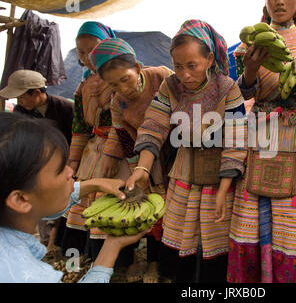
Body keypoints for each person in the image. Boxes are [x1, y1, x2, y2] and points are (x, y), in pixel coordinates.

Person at [124, 19, 247, 283]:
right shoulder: (170, 86)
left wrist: (225, 189)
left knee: (214, 243)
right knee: (182, 237)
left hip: (218, 178)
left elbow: (237, 139)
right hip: (183, 174)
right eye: (178, 66)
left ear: (210, 59)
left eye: (192, 66)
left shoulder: (228, 88)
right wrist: (142, 169)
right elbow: (153, 125)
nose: (185, 74)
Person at [228, 0, 296, 283]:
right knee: (255, 212)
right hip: (261, 133)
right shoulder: (250, 42)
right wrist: (249, 71)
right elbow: (242, 94)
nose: (280, 0)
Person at [0, 112, 148, 283]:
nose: (71, 172)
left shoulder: (10, 218)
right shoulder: (26, 275)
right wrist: (111, 247)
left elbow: (41, 203)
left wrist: (94, 184)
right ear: (20, 200)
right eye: (60, 169)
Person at [89, 37, 174, 282]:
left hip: (180, 152)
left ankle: (177, 264)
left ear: (136, 68)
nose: (123, 89)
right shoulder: (118, 103)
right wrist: (138, 169)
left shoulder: (162, 76)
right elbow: (125, 138)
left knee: (181, 210)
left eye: (125, 79)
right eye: (114, 85)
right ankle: (155, 264)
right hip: (150, 160)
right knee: (156, 212)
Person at [62, 22, 133, 274]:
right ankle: (86, 267)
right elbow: (80, 128)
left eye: (93, 50)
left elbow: (124, 120)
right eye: (81, 52)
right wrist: (72, 161)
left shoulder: (123, 76)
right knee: (84, 209)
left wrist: (113, 153)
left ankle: (116, 269)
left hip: (119, 152)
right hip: (92, 153)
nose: (87, 57)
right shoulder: (83, 87)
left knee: (112, 207)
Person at [0, 69, 74, 254]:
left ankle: (59, 244)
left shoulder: (65, 108)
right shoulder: (20, 112)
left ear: (37, 92)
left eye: (21, 96)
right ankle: (46, 242)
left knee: (66, 203)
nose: (19, 101)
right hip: (36, 167)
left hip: (66, 164)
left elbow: (77, 138)